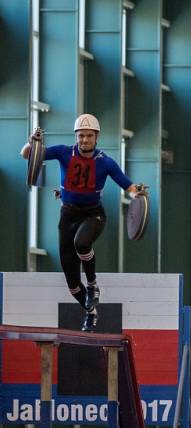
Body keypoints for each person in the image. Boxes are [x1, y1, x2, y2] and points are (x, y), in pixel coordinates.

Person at [20, 114, 142, 331]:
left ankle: (93, 285)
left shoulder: (106, 162)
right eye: (81, 136)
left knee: (82, 244)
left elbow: (128, 186)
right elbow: (27, 155)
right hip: (67, 216)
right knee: (72, 283)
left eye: (88, 136)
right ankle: (90, 312)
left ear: (96, 137)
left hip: (93, 215)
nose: (84, 140)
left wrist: (138, 195)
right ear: (76, 136)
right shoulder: (63, 152)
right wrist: (32, 142)